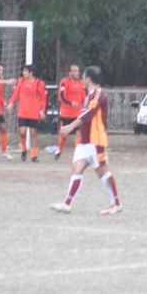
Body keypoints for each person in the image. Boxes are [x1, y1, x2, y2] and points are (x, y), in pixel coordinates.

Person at [51, 65, 121, 214]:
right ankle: (67, 204)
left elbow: (88, 114)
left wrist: (70, 127)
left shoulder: (98, 94)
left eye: (83, 76)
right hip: (85, 141)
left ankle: (116, 203)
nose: (81, 78)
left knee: (102, 172)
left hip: (95, 141)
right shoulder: (89, 95)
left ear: (88, 78)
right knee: (77, 169)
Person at [7, 64, 47, 163]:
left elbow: (43, 99)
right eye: (23, 71)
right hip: (22, 111)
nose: (23, 73)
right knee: (22, 132)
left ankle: (34, 155)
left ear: (31, 73)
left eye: (25, 71)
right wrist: (11, 103)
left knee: (33, 134)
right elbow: (15, 93)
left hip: (34, 112)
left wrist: (43, 111)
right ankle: (24, 150)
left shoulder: (39, 83)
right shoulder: (21, 81)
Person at [56, 64, 86, 161]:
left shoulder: (81, 83)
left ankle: (78, 153)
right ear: (70, 73)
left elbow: (84, 98)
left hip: (78, 115)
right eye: (75, 71)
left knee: (79, 134)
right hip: (66, 114)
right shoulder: (64, 82)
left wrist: (86, 107)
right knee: (64, 135)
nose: (77, 73)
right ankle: (59, 150)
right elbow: (61, 96)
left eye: (78, 71)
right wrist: (71, 103)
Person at [0, 63, 13, 160]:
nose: (1, 72)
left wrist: (4, 103)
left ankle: (4, 151)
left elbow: (0, 95)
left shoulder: (2, 81)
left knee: (3, 128)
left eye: (2, 70)